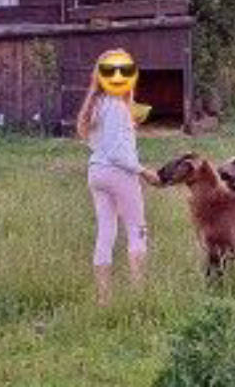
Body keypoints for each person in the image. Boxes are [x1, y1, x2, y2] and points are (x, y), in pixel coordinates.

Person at [76, 49, 160, 305]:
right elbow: (116, 153)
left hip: (96, 173)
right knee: (137, 229)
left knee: (106, 231)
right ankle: (138, 295)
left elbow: (100, 145)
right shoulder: (115, 106)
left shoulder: (97, 105)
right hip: (118, 173)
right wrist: (144, 171)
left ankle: (104, 298)